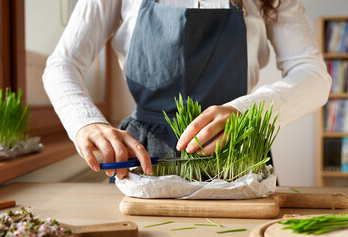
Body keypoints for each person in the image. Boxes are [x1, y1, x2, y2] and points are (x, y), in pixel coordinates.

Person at [43, 0, 331, 180]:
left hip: (236, 154)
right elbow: (63, 63)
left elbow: (313, 74)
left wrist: (244, 112)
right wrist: (86, 122)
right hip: (147, 155)